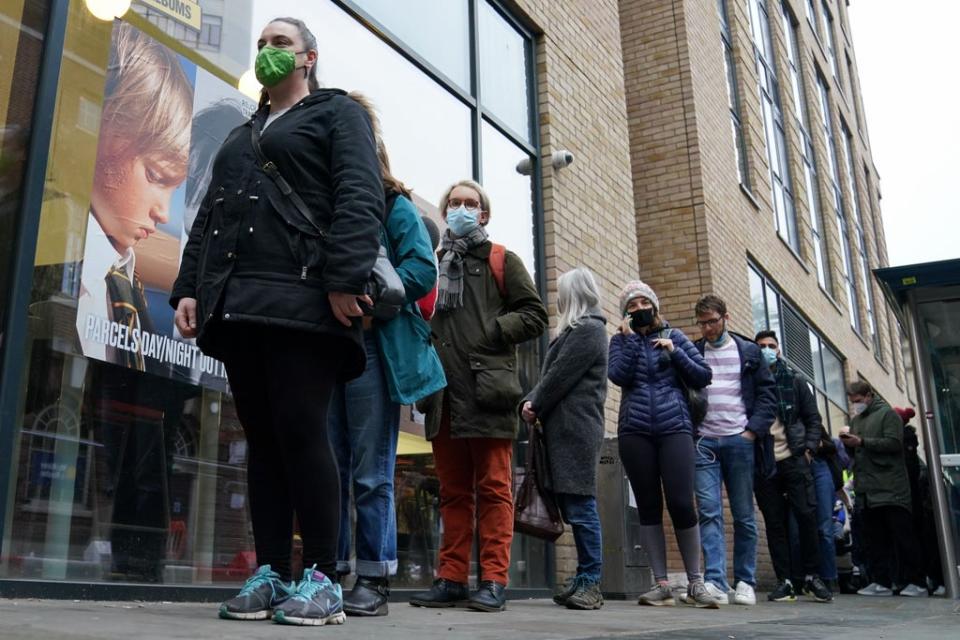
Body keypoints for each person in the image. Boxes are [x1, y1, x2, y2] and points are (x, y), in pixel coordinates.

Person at [170, 17, 384, 625]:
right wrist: (189, 288)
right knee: (261, 443)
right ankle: (270, 572)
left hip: (305, 301)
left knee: (301, 430)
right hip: (240, 307)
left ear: (309, 57)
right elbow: (210, 217)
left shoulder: (337, 115)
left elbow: (359, 194)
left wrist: (344, 277)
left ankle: (322, 575)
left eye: (280, 43)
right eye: (261, 43)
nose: (267, 51)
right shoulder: (242, 136)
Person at [327, 92, 443, 617]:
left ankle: (373, 579)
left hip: (372, 345)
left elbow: (421, 269)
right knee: (328, 466)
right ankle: (329, 571)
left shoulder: (393, 203)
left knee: (371, 471)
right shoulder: (323, 200)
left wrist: (371, 300)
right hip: (325, 346)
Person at [408, 179, 547, 613]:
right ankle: (450, 579)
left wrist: (492, 330)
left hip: (488, 393)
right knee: (452, 493)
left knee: (494, 490)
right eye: (455, 202)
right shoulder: (432, 265)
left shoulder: (501, 260)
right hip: (445, 397)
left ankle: (493, 581)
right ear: (446, 210)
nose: (462, 209)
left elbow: (535, 315)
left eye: (471, 203)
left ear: (483, 214)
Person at [78, 22, 192, 372]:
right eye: (155, 176)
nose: (163, 212)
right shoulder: (54, 247)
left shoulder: (127, 282)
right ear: (102, 125)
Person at [608, 281, 718, 609]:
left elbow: (703, 375)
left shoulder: (676, 336)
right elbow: (618, 376)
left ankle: (696, 583)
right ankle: (661, 584)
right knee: (648, 506)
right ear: (626, 312)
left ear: (654, 306)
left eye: (644, 302)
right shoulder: (619, 341)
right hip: (635, 430)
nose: (639, 308)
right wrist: (627, 340)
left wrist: (675, 352)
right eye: (632, 304)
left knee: (683, 503)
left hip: (675, 428)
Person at [519, 268, 608, 610]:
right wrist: (529, 403)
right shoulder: (578, 331)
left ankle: (591, 582)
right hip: (566, 432)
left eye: (561, 292)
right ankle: (585, 577)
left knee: (582, 508)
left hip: (576, 432)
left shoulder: (588, 330)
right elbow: (553, 378)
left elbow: (559, 376)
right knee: (574, 507)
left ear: (573, 295)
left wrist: (533, 402)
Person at [692, 294, 776, 606]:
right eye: (702, 323)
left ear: (725, 318)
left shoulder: (749, 352)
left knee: (743, 515)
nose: (708, 328)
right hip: (704, 442)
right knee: (709, 512)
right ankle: (715, 581)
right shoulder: (695, 351)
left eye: (712, 321)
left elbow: (768, 396)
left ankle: (745, 581)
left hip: (740, 441)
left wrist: (752, 432)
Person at [753, 331, 833, 603]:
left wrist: (809, 449)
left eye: (771, 346)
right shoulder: (750, 382)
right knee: (774, 524)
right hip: (764, 463)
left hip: (795, 458)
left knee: (806, 517)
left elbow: (813, 419)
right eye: (761, 346)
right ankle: (785, 580)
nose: (766, 350)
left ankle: (812, 576)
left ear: (779, 349)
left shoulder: (796, 381)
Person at [841, 382, 928, 598]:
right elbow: (857, 454)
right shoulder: (856, 421)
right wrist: (850, 445)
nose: (856, 406)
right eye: (853, 402)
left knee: (903, 536)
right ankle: (882, 581)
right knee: (875, 539)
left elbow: (893, 444)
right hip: (868, 490)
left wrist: (861, 441)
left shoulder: (888, 415)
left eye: (858, 401)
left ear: (869, 396)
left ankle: (917, 581)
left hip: (891, 487)